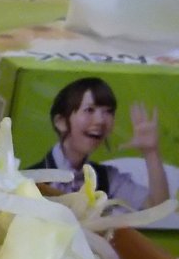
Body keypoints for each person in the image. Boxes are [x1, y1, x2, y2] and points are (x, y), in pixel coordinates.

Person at [32, 77, 170, 209]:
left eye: (108, 112)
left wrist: (151, 152)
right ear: (61, 122)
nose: (100, 121)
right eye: (89, 110)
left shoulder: (106, 178)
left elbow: (157, 207)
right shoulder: (31, 178)